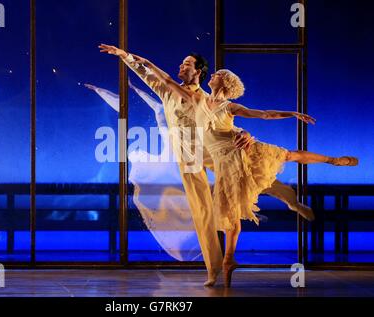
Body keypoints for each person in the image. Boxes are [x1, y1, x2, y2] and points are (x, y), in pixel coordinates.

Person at [99, 44, 317, 287]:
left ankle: (291, 201)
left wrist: (244, 132)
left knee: (251, 174)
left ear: (199, 72)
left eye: (187, 64)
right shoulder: (168, 91)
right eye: (182, 63)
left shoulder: (204, 98)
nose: (181, 66)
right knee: (203, 213)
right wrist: (124, 56)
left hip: (212, 149)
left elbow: (224, 120)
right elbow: (147, 73)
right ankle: (214, 268)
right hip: (188, 158)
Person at [140, 59, 358, 286]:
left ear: (224, 82)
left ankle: (333, 161)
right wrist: (146, 62)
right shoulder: (198, 100)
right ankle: (228, 260)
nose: (212, 75)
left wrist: (291, 114)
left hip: (243, 153)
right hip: (226, 165)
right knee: (230, 213)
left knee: (288, 155)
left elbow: (263, 114)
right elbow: (166, 81)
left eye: (217, 74)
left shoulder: (230, 107)